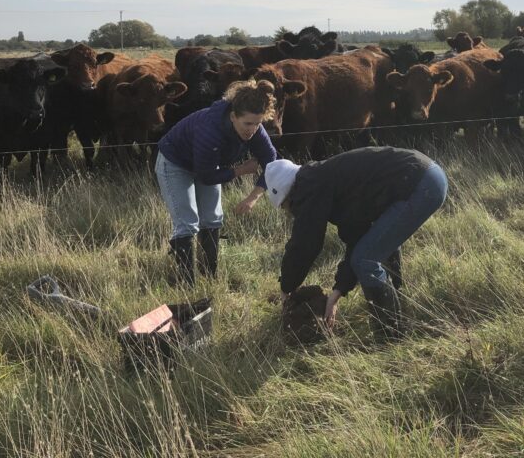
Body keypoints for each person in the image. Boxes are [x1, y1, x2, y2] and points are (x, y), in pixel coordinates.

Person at [264, 146, 448, 341]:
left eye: (285, 207)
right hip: (427, 175)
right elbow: (358, 237)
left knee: (365, 259)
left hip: (420, 184)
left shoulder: (309, 186)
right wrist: (337, 293)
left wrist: (287, 286)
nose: (289, 213)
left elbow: (305, 242)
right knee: (373, 246)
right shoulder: (323, 181)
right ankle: (397, 310)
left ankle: (391, 336)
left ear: (289, 196)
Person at [155, 79, 278, 285]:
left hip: (208, 165)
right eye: (247, 124)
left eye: (258, 124)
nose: (252, 130)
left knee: (213, 218)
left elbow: (271, 164)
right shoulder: (210, 129)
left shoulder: (255, 130)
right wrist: (239, 170)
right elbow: (207, 176)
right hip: (175, 163)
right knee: (187, 221)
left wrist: (252, 197)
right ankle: (188, 283)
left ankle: (210, 275)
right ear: (232, 116)